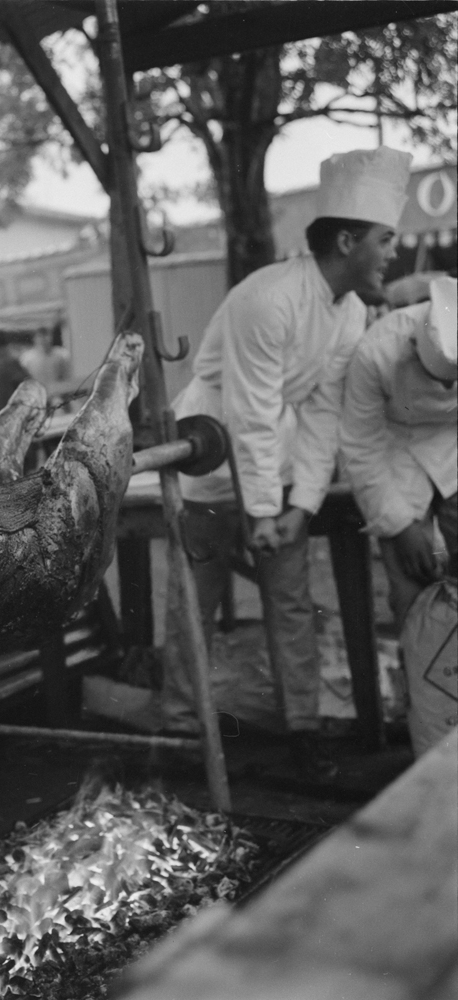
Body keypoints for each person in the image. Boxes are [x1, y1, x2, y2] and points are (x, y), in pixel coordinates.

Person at [161, 146, 412, 779]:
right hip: (210, 465)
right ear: (348, 239)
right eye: (386, 241)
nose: (394, 254)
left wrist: (297, 507)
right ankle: (182, 733)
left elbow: (323, 413)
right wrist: (266, 508)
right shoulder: (267, 300)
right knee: (197, 600)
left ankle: (304, 733)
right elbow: (249, 413)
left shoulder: (351, 312)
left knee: (291, 601)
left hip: (272, 471)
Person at [339, 275, 457, 630]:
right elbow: (362, 445)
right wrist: (401, 525)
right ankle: (422, 681)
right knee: (412, 591)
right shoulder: (376, 352)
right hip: (395, 451)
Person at [19, 323, 72, 401]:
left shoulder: (60, 355)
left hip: (57, 396)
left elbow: (66, 377)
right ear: (34, 338)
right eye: (40, 336)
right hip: (36, 397)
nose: (43, 339)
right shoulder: (27, 358)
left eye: (46, 335)